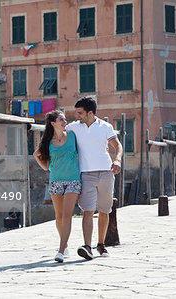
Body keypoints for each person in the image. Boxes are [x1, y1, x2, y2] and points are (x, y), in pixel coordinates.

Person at [66, 97, 123, 260]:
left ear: (90, 113)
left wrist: (117, 160)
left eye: (80, 113)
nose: (77, 115)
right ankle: (86, 246)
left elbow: (117, 145)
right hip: (85, 174)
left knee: (104, 211)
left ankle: (101, 244)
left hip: (106, 172)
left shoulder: (105, 127)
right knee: (88, 211)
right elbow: (58, 134)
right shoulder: (73, 127)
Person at [33, 110, 81, 263]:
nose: (64, 122)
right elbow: (46, 167)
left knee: (67, 216)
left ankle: (60, 250)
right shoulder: (47, 142)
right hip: (55, 181)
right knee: (59, 217)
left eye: (65, 119)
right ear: (53, 123)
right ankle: (65, 245)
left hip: (73, 180)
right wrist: (37, 158)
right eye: (61, 119)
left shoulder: (73, 136)